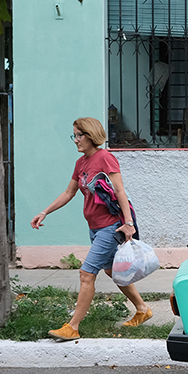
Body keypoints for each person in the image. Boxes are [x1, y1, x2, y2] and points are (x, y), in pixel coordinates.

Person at [30, 117, 152, 342]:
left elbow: (120, 192)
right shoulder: (81, 163)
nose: (75, 140)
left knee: (87, 274)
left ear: (91, 135)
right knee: (111, 271)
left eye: (79, 135)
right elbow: (69, 193)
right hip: (95, 228)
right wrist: (45, 211)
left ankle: (73, 326)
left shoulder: (105, 158)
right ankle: (142, 309)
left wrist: (128, 223)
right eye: (74, 135)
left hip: (110, 227)